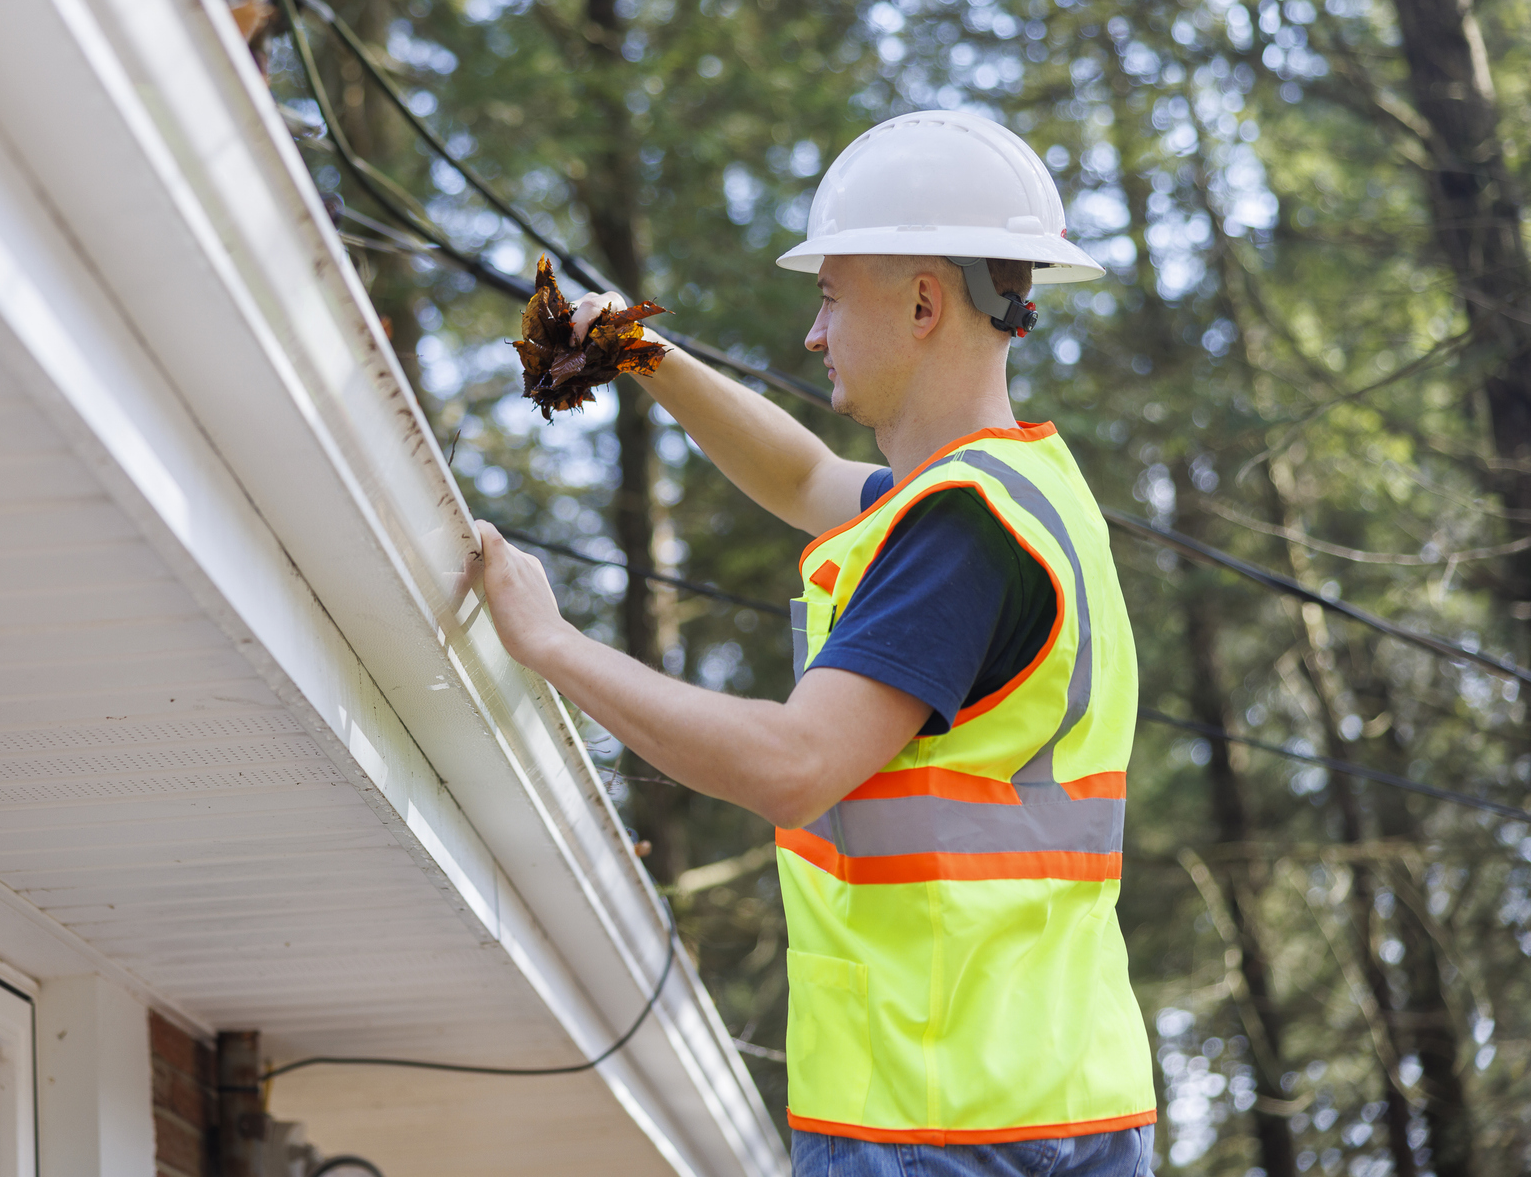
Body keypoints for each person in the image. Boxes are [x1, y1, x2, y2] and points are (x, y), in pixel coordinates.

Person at [470, 110, 1157, 1177]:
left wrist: (549, 644)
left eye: (830, 296)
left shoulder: (959, 532)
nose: (812, 332)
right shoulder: (1017, 496)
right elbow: (799, 479)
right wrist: (640, 351)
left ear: (924, 301)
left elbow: (791, 766)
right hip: (1050, 1098)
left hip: (934, 1124)